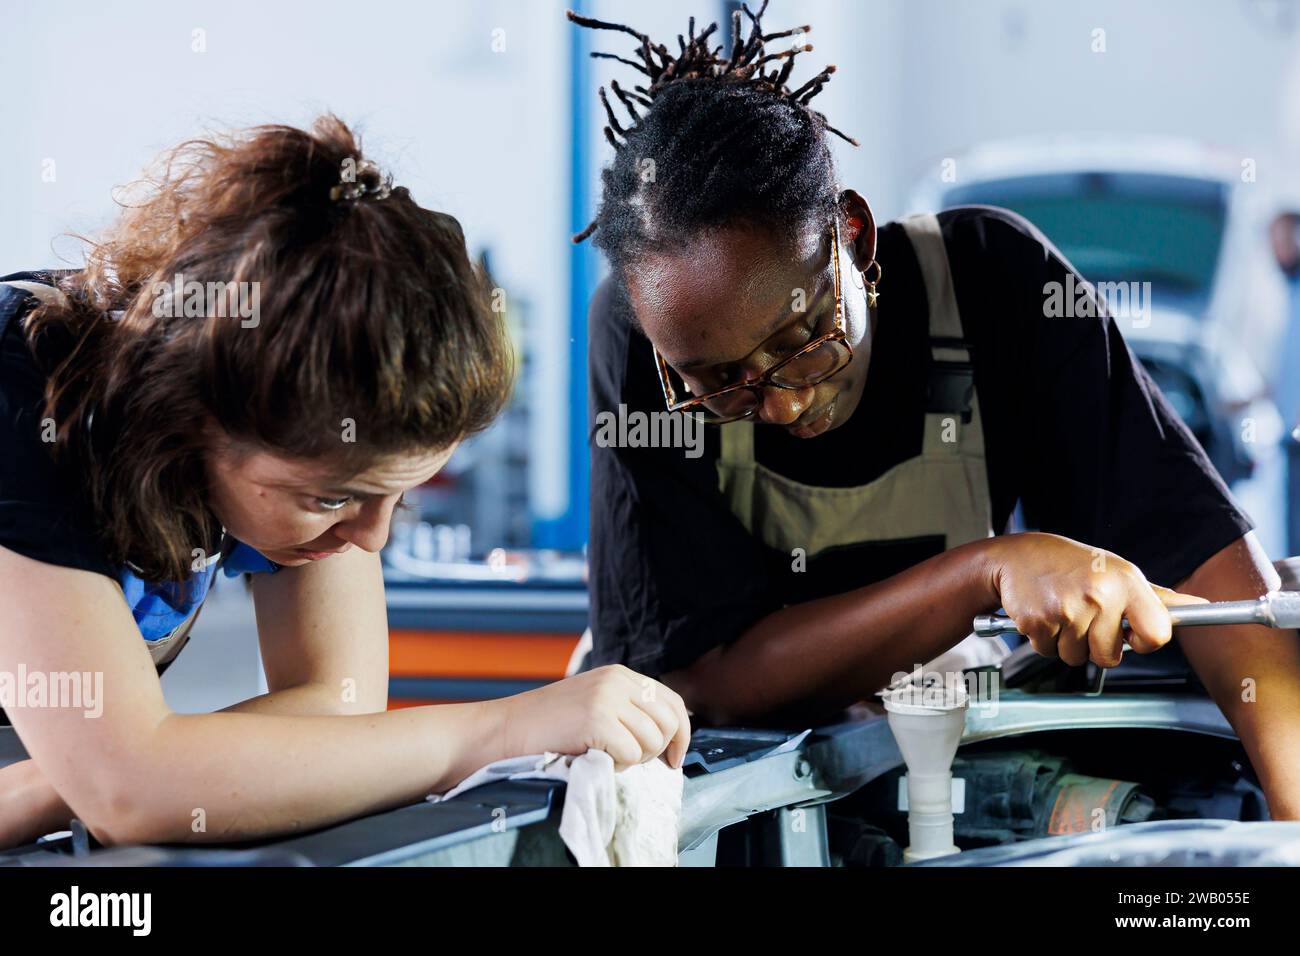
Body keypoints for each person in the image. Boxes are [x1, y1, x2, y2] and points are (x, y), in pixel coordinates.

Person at [572, 5, 1300, 818]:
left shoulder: (996, 284)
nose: (781, 401)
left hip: (930, 762)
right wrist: (986, 570)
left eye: (804, 337)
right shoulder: (634, 341)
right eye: (716, 381)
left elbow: (1212, 574)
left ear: (851, 235)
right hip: (720, 797)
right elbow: (703, 682)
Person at [0, 116, 689, 849]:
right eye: (330, 497)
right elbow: (131, 792)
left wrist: (74, 776)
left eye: (402, 493)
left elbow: (339, 703)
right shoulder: (30, 397)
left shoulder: (309, 419)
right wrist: (503, 725)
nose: (373, 536)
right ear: (189, 413)